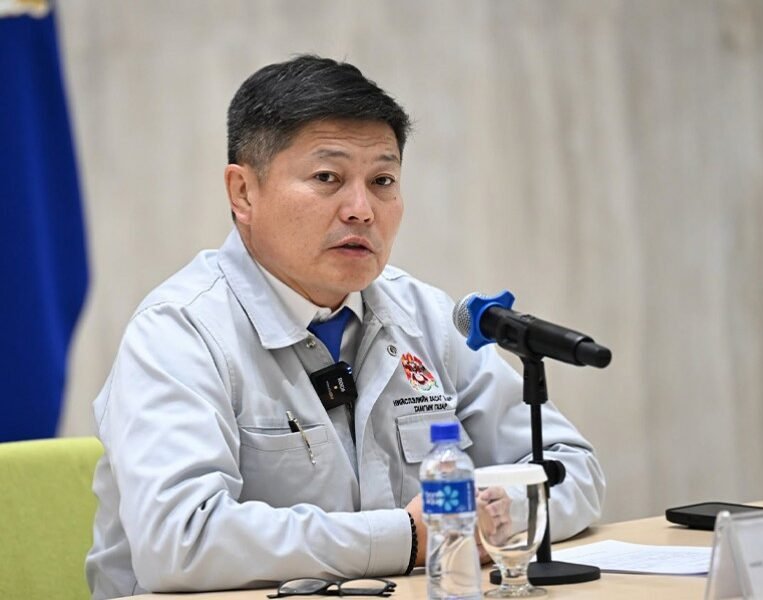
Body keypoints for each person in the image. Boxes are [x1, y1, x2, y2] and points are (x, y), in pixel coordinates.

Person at [85, 55, 605, 599]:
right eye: (327, 178)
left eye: (382, 181)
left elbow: (574, 469)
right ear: (243, 192)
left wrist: (497, 514)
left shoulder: (424, 316)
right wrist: (407, 537)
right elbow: (180, 541)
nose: (361, 209)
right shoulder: (179, 331)